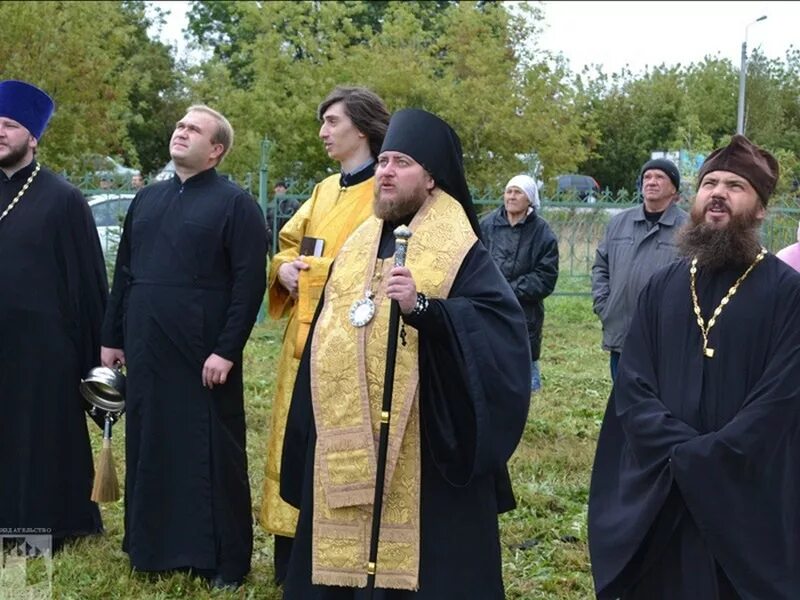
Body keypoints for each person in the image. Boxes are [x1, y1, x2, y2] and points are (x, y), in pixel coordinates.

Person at [279, 108, 531, 598]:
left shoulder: (462, 250)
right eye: (385, 161)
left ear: (432, 179)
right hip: (347, 434)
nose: (386, 172)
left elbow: (498, 332)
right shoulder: (359, 244)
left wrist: (425, 309)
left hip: (424, 444)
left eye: (402, 163)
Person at [588, 134, 800, 599]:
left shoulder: (787, 293)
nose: (718, 193)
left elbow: (782, 398)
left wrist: (712, 455)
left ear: (761, 209)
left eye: (736, 186)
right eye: (710, 184)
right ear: (695, 199)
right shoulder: (663, 286)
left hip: (745, 497)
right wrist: (681, 452)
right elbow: (634, 386)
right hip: (666, 490)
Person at [100, 105, 267, 589]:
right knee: (152, 443)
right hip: (147, 347)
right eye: (179, 126)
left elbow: (247, 284)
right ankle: (152, 549)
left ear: (216, 150)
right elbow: (124, 274)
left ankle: (222, 561)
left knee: (212, 452)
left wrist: (227, 350)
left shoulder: (236, 204)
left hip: (203, 354)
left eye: (193, 129)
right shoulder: (146, 199)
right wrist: (112, 337)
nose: (181, 132)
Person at [258, 86, 390, 582]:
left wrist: (309, 273)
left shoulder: (385, 187)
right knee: (293, 440)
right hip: (303, 335)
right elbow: (291, 244)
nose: (323, 132)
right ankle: (289, 560)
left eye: (332, 121)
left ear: (361, 128)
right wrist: (284, 269)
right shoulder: (324, 189)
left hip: (353, 341)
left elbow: (378, 263)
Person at [0, 80, 108, 549]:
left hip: (43, 349)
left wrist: (95, 359)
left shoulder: (63, 198)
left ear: (34, 137)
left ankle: (40, 531)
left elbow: (88, 284)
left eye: (9, 125)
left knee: (36, 438)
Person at [591, 158, 687, 379]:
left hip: (665, 335)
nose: (651, 182)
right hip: (621, 330)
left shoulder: (688, 229)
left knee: (661, 399)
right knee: (622, 398)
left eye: (659, 177)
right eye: (647, 177)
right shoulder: (619, 223)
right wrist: (604, 305)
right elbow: (601, 267)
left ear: (674, 188)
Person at [480, 174, 559, 392]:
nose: (511, 197)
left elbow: (546, 277)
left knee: (522, 376)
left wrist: (509, 290)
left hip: (524, 313)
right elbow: (475, 264)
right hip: (489, 308)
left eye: (518, 192)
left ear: (530, 199)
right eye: (508, 191)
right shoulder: (487, 226)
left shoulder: (543, 233)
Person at [265, 180, 300, 256]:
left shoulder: (293, 203)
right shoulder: (271, 204)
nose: (278, 189)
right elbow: (266, 220)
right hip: (273, 239)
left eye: (280, 187)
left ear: (285, 189)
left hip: (288, 238)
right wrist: (269, 232)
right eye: (276, 187)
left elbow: (298, 219)